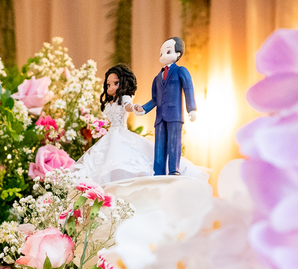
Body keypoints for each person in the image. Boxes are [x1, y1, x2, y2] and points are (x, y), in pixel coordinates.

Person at [73, 63, 207, 185]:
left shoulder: (124, 98)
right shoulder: (109, 102)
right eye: (108, 85)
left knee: (122, 160)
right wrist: (98, 126)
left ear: (123, 83)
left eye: (115, 83)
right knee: (101, 163)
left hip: (120, 134)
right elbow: (108, 119)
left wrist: (134, 107)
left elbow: (127, 106)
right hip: (109, 136)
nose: (111, 87)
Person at [134, 37, 198, 176]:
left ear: (178, 54)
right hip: (160, 117)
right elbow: (155, 99)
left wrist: (191, 109)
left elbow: (188, 88)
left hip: (174, 115)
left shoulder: (181, 71)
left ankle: (174, 170)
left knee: (174, 143)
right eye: (161, 53)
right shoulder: (157, 78)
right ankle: (158, 172)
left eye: (168, 52)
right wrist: (143, 109)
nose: (163, 56)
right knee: (159, 146)